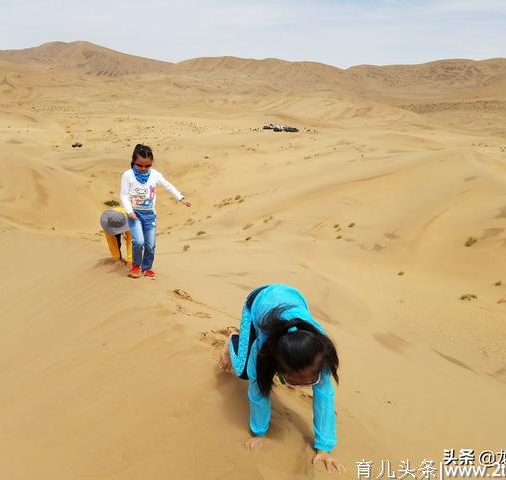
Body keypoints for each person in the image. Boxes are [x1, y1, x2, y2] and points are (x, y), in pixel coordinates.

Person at [219, 284, 346, 474]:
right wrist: (259, 433)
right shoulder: (263, 351)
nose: (303, 385)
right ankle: (232, 343)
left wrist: (324, 448)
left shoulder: (321, 353)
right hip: (257, 301)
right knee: (243, 370)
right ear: (278, 367)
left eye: (310, 380)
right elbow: (258, 393)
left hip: (293, 297)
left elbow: (324, 397)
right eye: (294, 382)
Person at [120, 144, 191, 279]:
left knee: (150, 244)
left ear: (151, 163)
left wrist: (180, 197)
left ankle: (147, 268)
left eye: (147, 165)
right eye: (140, 165)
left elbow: (168, 186)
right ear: (134, 160)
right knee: (139, 242)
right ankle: (136, 265)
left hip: (149, 215)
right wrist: (129, 211)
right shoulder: (127, 175)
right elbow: (124, 195)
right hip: (134, 214)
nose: (143, 168)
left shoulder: (155, 175)